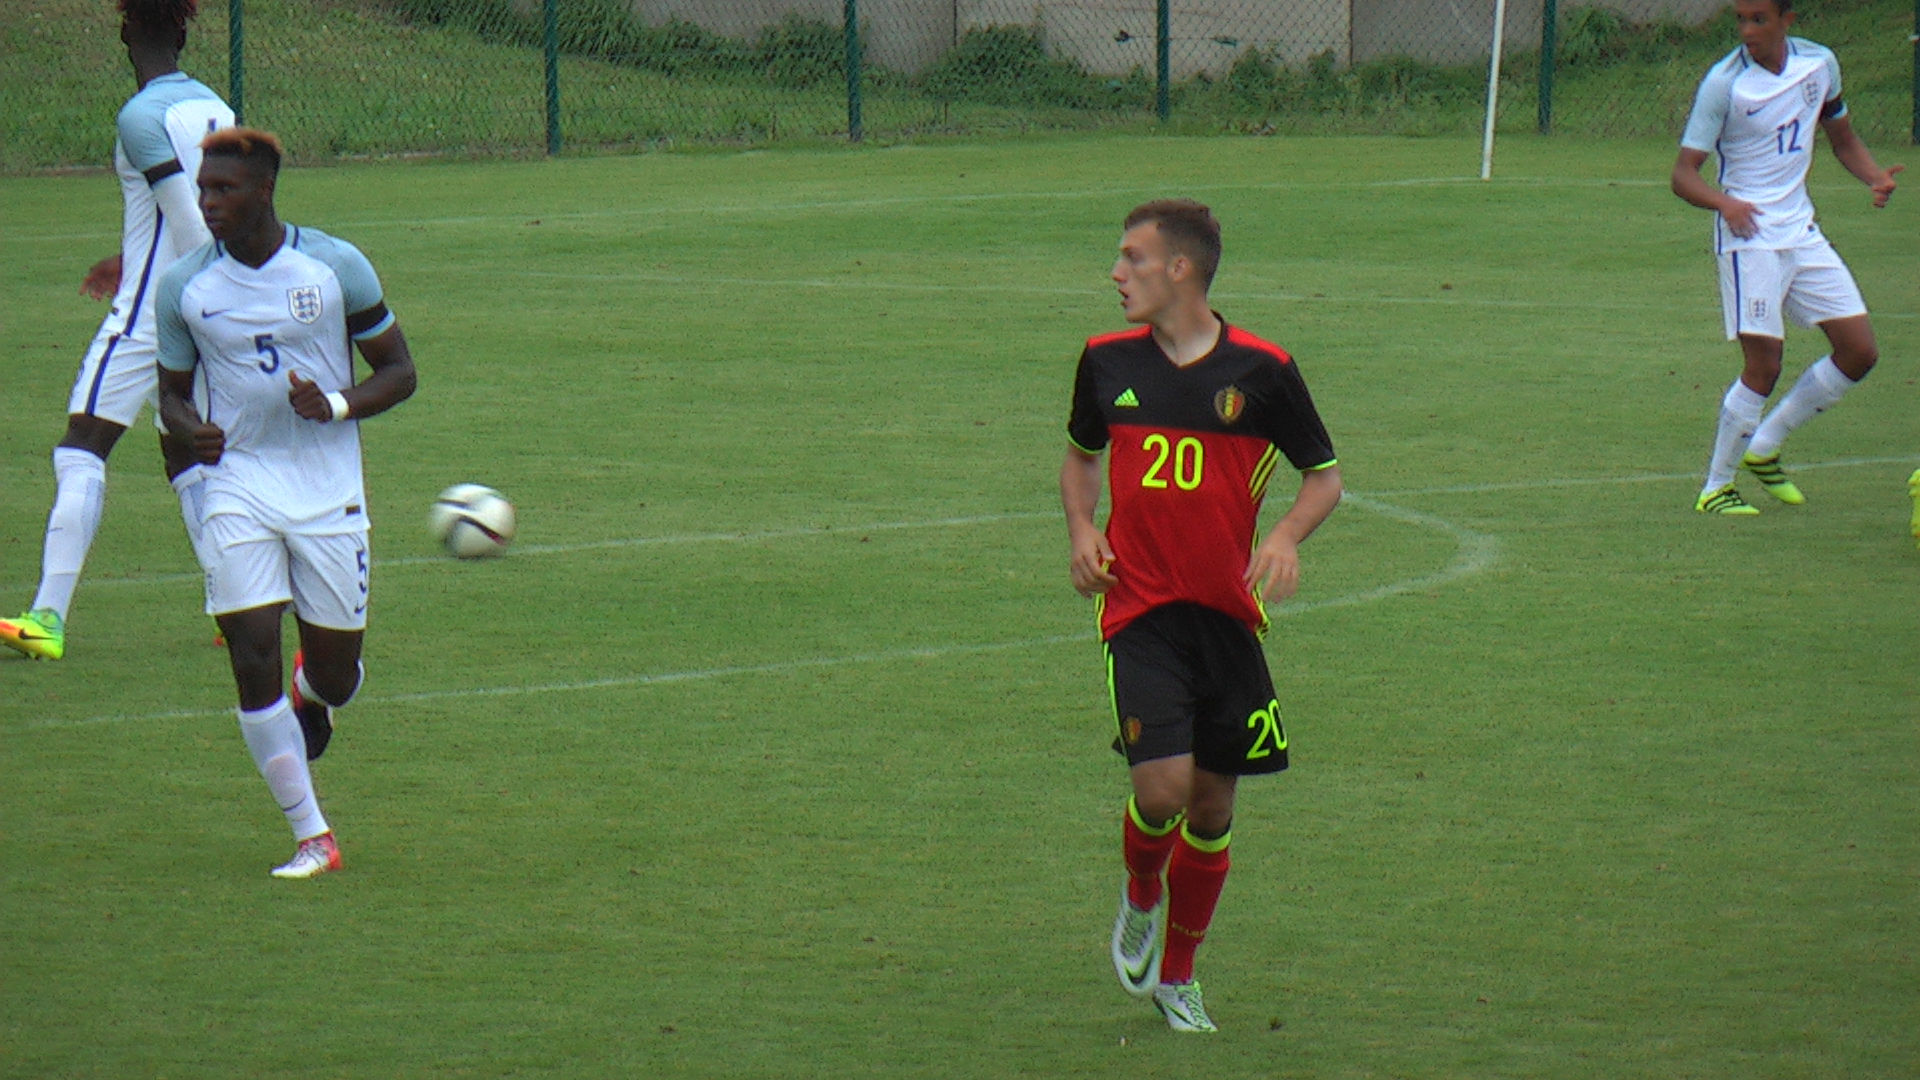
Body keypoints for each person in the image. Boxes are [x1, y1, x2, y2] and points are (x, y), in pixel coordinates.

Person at [1060, 200, 1343, 1033]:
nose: (1117, 273)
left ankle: (1178, 978)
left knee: (1213, 808)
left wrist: (1284, 537)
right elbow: (1080, 458)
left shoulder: (1264, 371)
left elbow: (1324, 476)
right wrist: (1081, 529)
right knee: (1163, 790)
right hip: (1140, 612)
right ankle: (1141, 892)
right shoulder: (1105, 361)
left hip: (1227, 619)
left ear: (1179, 269)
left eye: (1132, 258)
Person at [156, 127, 418, 879]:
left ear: (264, 191)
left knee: (337, 676)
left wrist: (334, 404)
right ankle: (313, 835)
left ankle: (314, 691)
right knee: (250, 650)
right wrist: (191, 430)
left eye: (223, 189)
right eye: (203, 189)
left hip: (327, 491)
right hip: (236, 486)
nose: (207, 203)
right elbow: (170, 395)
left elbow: (399, 371)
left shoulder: (335, 267)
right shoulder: (186, 288)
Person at [0, 0, 234, 660]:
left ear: (125, 29)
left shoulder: (140, 116)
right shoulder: (217, 108)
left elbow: (188, 225)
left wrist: (182, 300)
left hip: (150, 317)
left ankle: (48, 616)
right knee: (185, 456)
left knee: (83, 445)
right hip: (204, 310)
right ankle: (236, 606)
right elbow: (211, 219)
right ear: (184, 30)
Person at [1670, 0, 1901, 515]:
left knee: (1859, 351)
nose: (1746, 30)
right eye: (1740, 19)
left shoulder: (1819, 64)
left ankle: (1766, 444)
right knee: (1764, 365)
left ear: (1787, 21)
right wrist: (1725, 203)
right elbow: (1683, 175)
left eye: (1758, 19)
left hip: (1801, 232)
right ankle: (1716, 488)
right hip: (1749, 238)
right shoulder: (1724, 83)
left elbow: (1842, 137)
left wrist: (1874, 176)